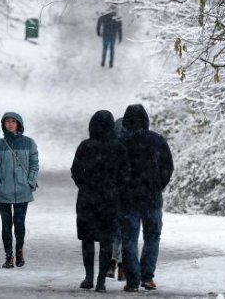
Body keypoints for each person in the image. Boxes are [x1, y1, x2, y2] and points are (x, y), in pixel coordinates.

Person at [71, 110, 130, 293]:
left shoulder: (85, 146)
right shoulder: (118, 148)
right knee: (106, 241)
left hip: (87, 199)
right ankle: (101, 281)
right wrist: (115, 189)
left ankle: (89, 277)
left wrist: (86, 185)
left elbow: (75, 171)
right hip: (110, 201)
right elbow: (125, 174)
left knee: (87, 240)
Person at [118, 104, 173, 292]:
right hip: (152, 197)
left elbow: (113, 169)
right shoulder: (157, 140)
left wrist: (120, 188)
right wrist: (158, 185)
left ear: (126, 121)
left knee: (129, 239)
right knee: (152, 237)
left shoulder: (121, 142)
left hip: (128, 199)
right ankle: (147, 276)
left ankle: (132, 280)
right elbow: (168, 167)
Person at [0, 112, 39, 269]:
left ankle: (19, 251)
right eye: (7, 122)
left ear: (19, 124)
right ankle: (8, 256)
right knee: (6, 225)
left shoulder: (29, 143)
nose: (10, 124)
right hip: (3, 192)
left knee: (19, 223)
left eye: (13, 121)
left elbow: (34, 164)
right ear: (4, 124)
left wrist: (30, 182)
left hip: (22, 191)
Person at [107, 117, 126, 281]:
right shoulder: (133, 148)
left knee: (114, 231)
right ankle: (122, 264)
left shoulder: (110, 147)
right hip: (129, 195)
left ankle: (113, 260)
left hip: (112, 195)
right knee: (127, 231)